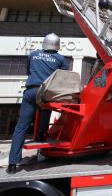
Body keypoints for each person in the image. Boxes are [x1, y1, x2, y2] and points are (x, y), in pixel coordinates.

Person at [7, 33, 69, 174]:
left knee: (21, 126)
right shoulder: (60, 58)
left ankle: (12, 163)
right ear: (57, 45)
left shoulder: (33, 54)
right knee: (45, 109)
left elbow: (28, 71)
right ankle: (41, 134)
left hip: (31, 91)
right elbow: (64, 76)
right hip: (46, 92)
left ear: (44, 43)